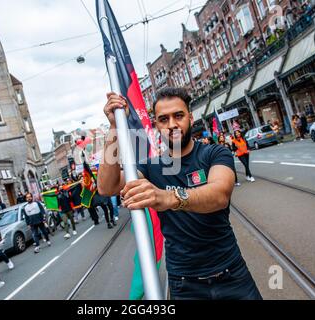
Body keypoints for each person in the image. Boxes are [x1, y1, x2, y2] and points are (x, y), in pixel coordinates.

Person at [98, 88, 262, 300]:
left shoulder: (214, 153)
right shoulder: (151, 167)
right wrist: (114, 127)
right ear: (156, 125)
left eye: (178, 116)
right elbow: (106, 187)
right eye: (164, 119)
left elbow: (219, 195)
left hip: (232, 274)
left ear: (190, 117)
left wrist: (166, 198)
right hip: (184, 284)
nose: (172, 124)